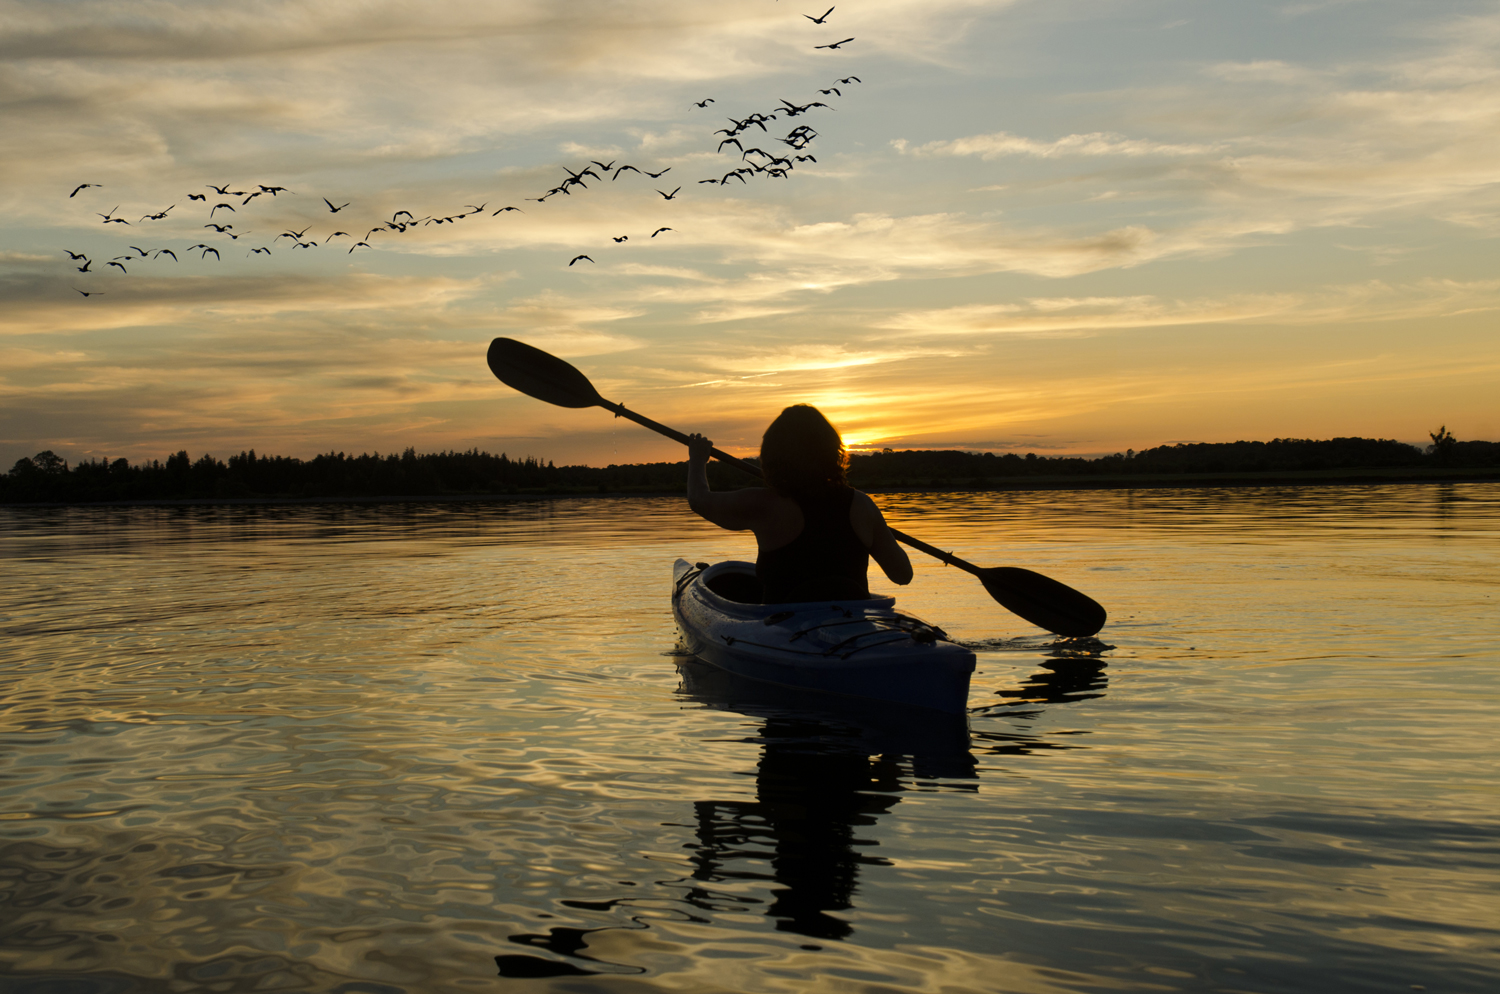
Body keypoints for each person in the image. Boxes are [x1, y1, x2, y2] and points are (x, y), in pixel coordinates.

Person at [686, 404, 912, 603]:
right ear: (832, 452)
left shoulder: (764, 504)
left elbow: (699, 500)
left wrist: (697, 459)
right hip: (854, 629)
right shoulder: (861, 504)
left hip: (785, 633)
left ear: (772, 454)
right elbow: (902, 575)